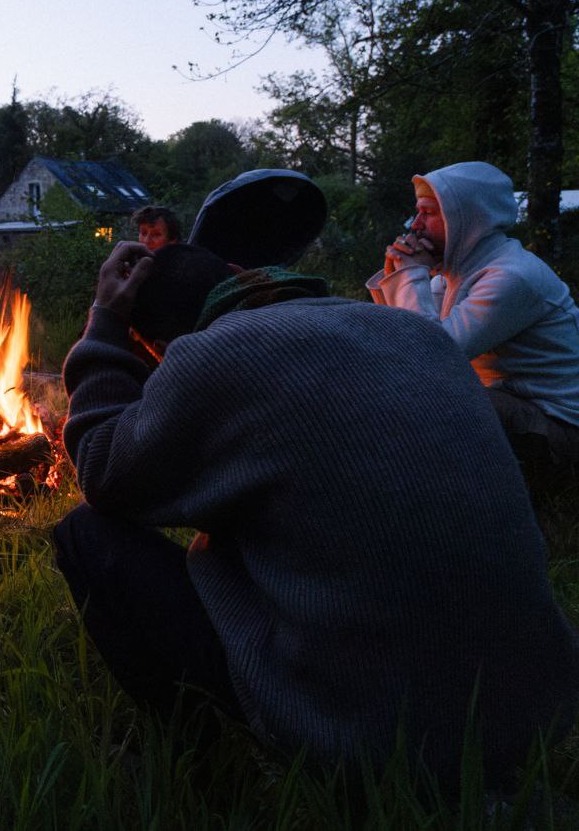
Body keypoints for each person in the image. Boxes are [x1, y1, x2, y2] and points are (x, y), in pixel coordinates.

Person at [54, 239, 579, 789]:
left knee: (87, 535)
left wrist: (106, 322)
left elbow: (100, 468)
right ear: (241, 271)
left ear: (161, 347)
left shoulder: (209, 357)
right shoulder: (414, 331)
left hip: (375, 742)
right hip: (534, 711)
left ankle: (218, 779)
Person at [367, 162, 579, 468]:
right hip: (513, 404)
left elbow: (429, 355)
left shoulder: (511, 277)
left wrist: (410, 274)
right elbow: (400, 346)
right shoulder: (456, 274)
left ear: (466, 219)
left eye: (427, 212)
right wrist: (396, 274)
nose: (415, 225)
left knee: (430, 404)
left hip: (558, 423)